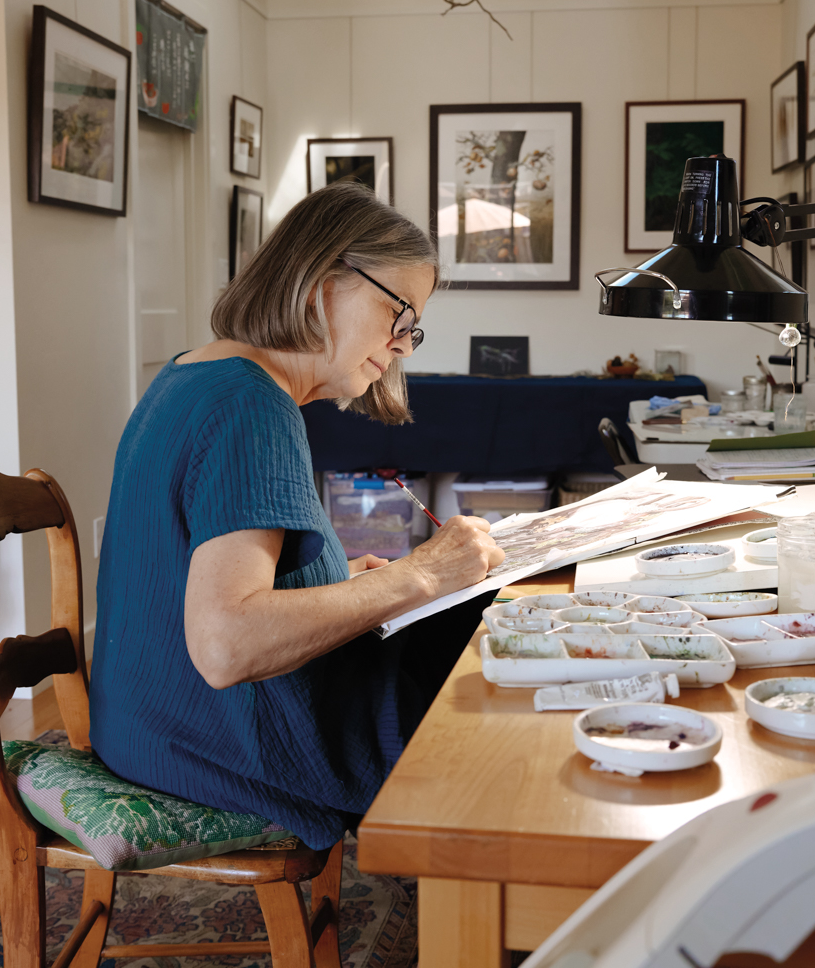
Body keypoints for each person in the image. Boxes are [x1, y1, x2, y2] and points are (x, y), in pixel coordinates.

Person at [91, 182, 505, 851]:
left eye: (413, 327)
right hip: (209, 746)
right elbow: (225, 643)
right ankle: (494, 895)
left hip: (148, 726)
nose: (403, 344)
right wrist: (420, 575)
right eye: (399, 312)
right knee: (494, 660)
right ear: (321, 282)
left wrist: (349, 587)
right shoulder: (252, 405)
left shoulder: (195, 375)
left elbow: (203, 585)